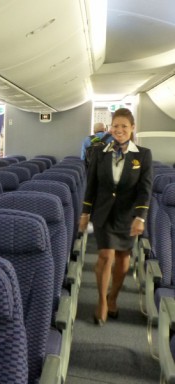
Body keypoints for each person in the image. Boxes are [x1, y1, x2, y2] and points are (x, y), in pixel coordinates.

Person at [78, 108, 152, 326]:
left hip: (128, 216)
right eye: (115, 126)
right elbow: (91, 186)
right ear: (110, 128)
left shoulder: (143, 155)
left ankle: (113, 297)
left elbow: (145, 189)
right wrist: (85, 213)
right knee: (106, 256)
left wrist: (141, 217)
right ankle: (101, 301)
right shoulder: (99, 152)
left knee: (122, 262)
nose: (119, 130)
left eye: (124, 126)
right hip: (104, 214)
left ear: (132, 128)